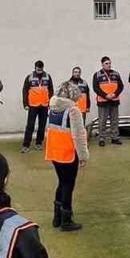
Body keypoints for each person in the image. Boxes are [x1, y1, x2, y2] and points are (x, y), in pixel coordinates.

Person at [46, 82, 90, 232]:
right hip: (68, 153)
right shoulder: (73, 110)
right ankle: (66, 219)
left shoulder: (52, 108)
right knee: (68, 185)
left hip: (54, 152)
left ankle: (57, 217)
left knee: (61, 182)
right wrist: (83, 155)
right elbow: (78, 135)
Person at [21, 60, 54, 154]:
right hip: (33, 105)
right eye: (38, 69)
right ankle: (26, 145)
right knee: (30, 125)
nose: (39, 71)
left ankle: (39, 143)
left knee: (42, 125)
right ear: (35, 68)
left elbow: (51, 90)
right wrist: (25, 104)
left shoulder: (47, 77)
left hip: (44, 105)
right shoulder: (29, 77)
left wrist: (51, 102)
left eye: (41, 69)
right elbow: (25, 91)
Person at [93, 57, 125, 147]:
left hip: (114, 100)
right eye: (106, 63)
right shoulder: (97, 75)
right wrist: (105, 95)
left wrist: (115, 94)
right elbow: (96, 88)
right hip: (103, 101)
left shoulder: (116, 73)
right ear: (102, 65)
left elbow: (121, 86)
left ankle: (115, 138)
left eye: (110, 63)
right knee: (102, 121)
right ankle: (102, 138)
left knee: (114, 120)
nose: (109, 65)